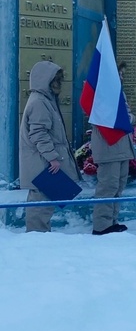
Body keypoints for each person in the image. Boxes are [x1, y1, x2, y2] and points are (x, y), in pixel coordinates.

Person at [19, 61, 81, 232]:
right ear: (45, 80)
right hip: (42, 164)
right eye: (56, 80)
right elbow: (38, 133)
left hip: (43, 162)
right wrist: (52, 157)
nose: (59, 84)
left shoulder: (45, 99)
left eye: (60, 80)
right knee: (41, 203)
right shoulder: (40, 102)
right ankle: (36, 239)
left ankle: (39, 236)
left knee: (45, 202)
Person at [91, 62, 136, 235]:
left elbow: (126, 115)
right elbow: (110, 118)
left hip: (122, 146)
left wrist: (128, 117)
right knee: (107, 187)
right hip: (108, 147)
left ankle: (112, 220)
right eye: (119, 74)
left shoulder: (119, 94)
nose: (122, 78)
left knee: (118, 186)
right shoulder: (100, 95)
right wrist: (128, 118)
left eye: (122, 75)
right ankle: (102, 225)